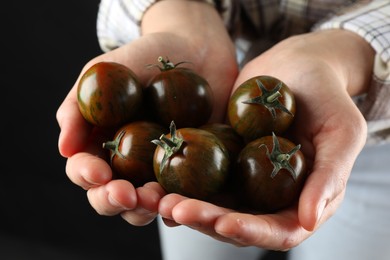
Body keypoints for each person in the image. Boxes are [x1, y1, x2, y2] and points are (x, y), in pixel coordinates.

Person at [56, 0, 390, 259]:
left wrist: (345, 54)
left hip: (378, 137)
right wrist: (179, 12)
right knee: (198, 226)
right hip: (206, 138)